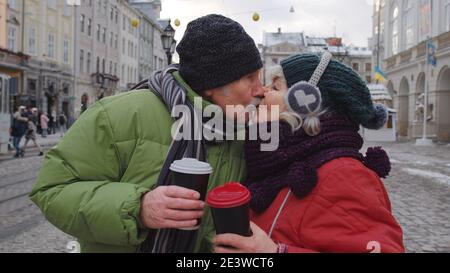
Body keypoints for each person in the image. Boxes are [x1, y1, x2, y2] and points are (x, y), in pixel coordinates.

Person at [30, 14, 265, 253]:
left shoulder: (243, 132)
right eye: (249, 78)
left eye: (260, 77)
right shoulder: (118, 114)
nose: (261, 90)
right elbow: (52, 190)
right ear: (211, 85)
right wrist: (139, 208)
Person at [213, 53, 405, 253]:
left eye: (276, 87)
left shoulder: (342, 174)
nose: (262, 91)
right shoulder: (271, 162)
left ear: (306, 106)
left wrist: (275, 253)